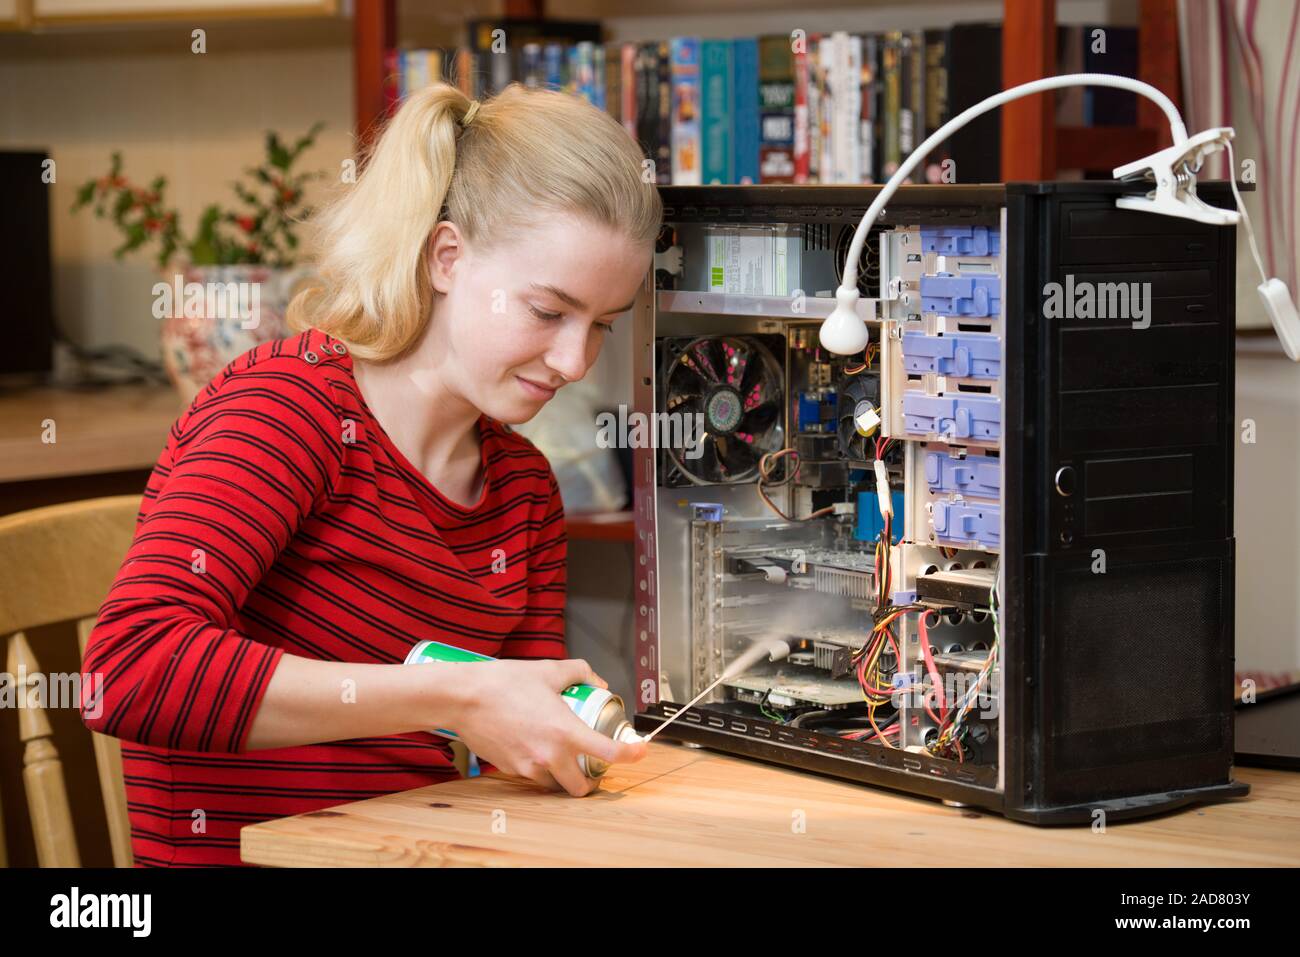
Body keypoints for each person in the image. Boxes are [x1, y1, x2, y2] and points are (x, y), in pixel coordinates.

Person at [80, 82, 658, 866]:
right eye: (549, 312)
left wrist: (559, 742)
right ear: (446, 256)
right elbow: (128, 669)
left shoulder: (522, 490)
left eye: (602, 326)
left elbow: (509, 766)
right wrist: (456, 695)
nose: (573, 360)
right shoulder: (287, 410)